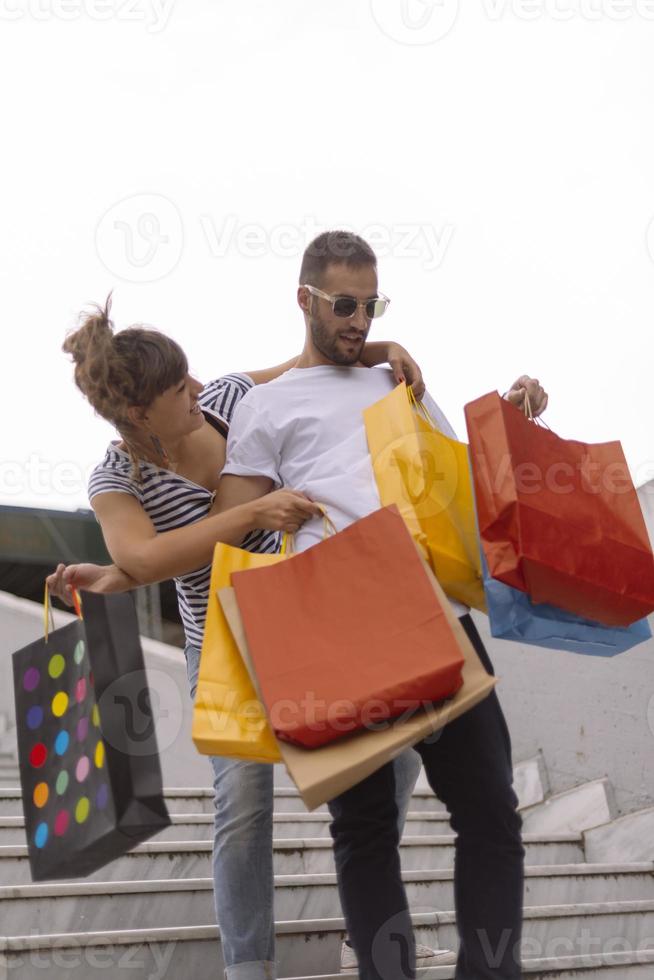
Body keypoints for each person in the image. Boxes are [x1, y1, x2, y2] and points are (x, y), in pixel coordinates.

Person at [46, 298, 437, 979]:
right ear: (139, 415)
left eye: (191, 378)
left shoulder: (227, 399)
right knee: (245, 801)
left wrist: (379, 350)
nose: (196, 389)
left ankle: (367, 923)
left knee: (397, 759)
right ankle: (246, 965)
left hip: (311, 614)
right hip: (222, 638)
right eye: (177, 389)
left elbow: (309, 367)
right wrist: (248, 512)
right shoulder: (117, 478)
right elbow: (146, 560)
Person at [212, 229, 548, 980]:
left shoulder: (399, 382)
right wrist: (268, 512)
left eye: (370, 304)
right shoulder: (264, 407)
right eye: (343, 304)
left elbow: (457, 479)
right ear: (304, 300)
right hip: (332, 620)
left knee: (491, 811)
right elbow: (230, 527)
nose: (359, 320)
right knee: (363, 829)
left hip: (426, 603)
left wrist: (515, 422)